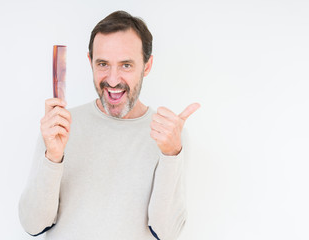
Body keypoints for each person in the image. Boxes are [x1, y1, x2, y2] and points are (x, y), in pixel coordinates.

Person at [18, 10, 200, 240]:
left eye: (126, 65)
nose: (113, 80)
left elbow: (167, 233)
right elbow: (33, 224)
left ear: (147, 65)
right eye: (103, 64)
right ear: (90, 62)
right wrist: (53, 157)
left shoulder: (170, 137)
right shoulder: (59, 128)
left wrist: (171, 155)